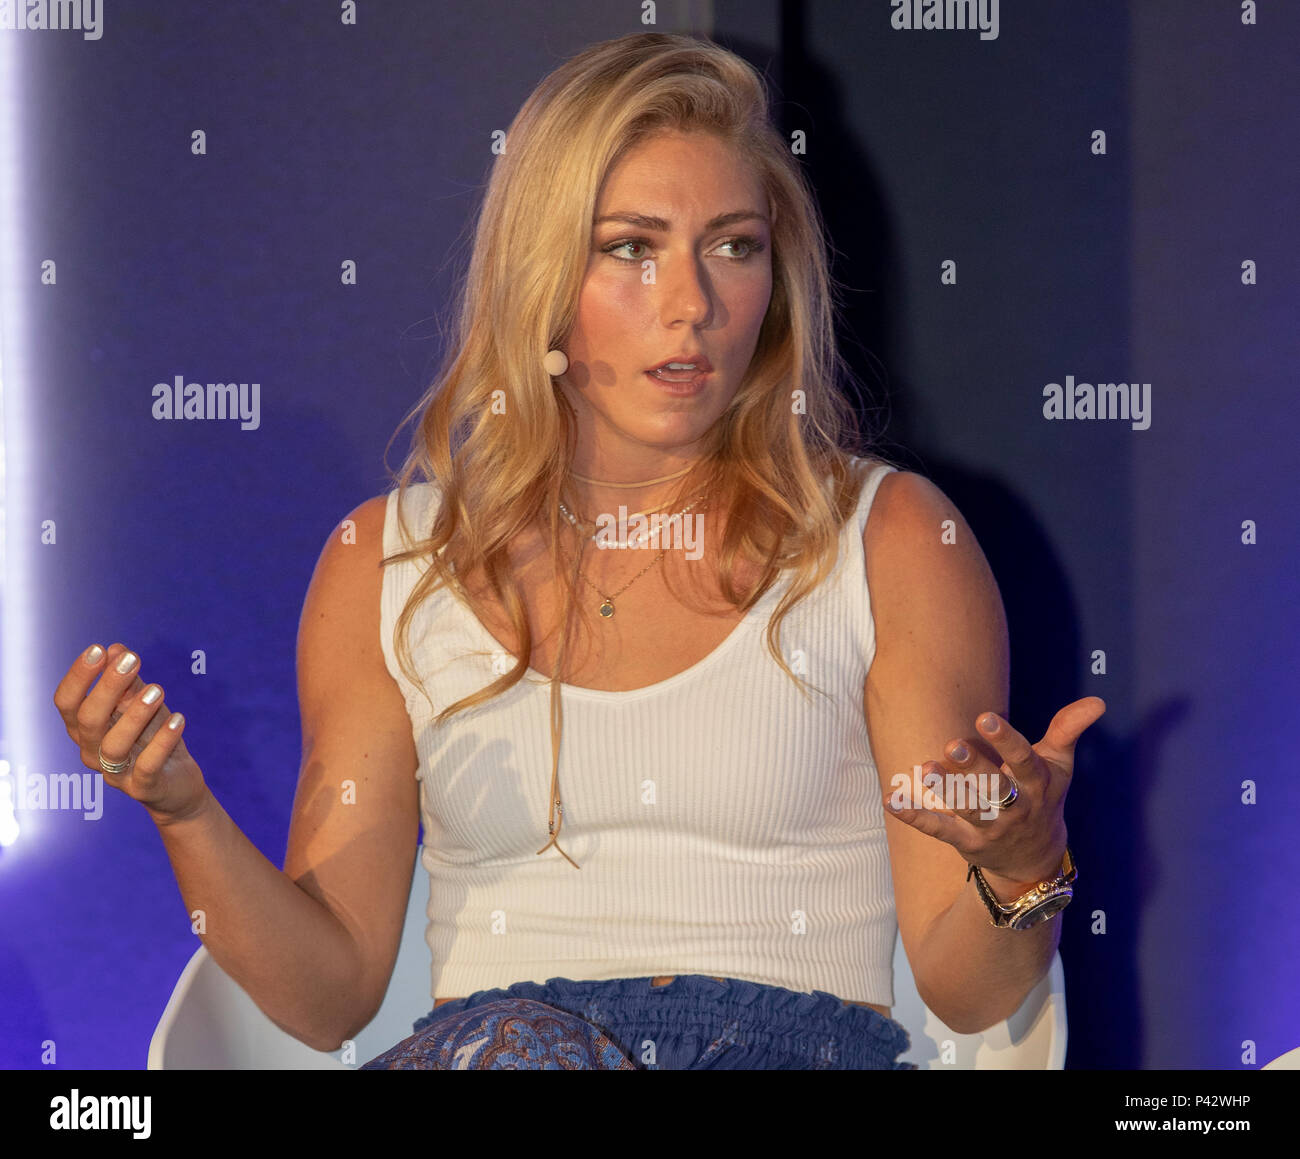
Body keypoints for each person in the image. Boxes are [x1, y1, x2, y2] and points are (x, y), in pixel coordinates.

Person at [52, 31, 1104, 1070]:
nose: (691, 304)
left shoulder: (891, 541)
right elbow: (327, 1003)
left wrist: (1023, 865)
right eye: (631, 248)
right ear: (543, 275)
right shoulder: (388, 564)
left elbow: (975, 995)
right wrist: (182, 810)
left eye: (733, 246)